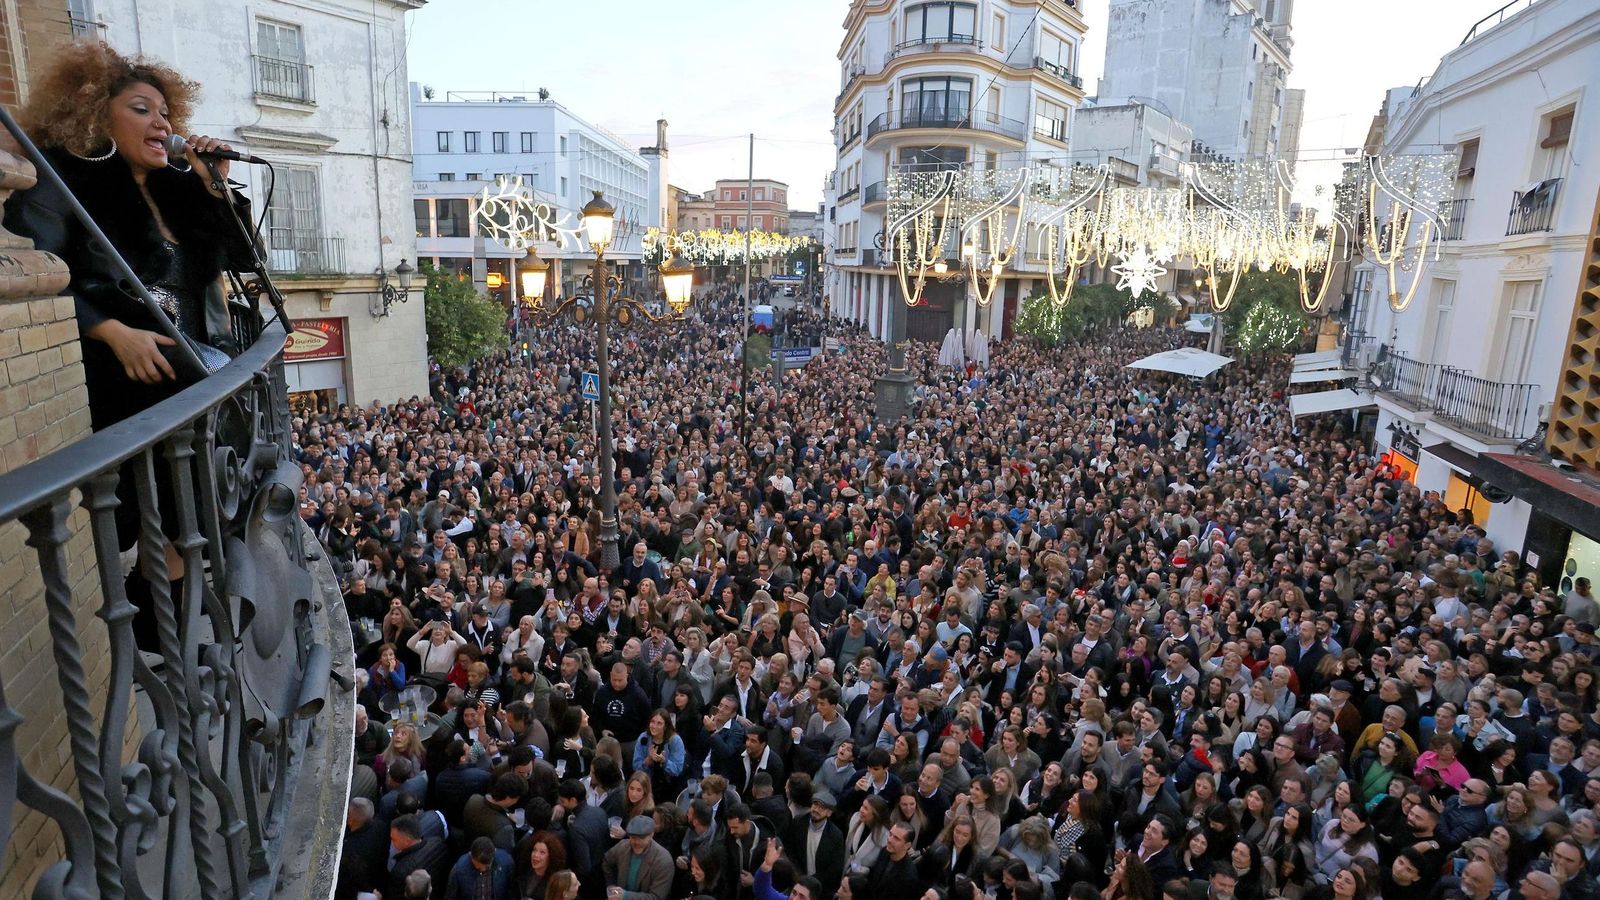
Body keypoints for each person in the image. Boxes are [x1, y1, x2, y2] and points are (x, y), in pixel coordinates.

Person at [604, 815, 675, 900]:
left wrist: (626, 896)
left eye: (641, 838)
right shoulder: (623, 846)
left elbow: (657, 897)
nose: (636, 842)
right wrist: (611, 885)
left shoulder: (663, 861)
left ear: (652, 834)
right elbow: (607, 861)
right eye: (633, 837)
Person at [445, 836, 515, 900]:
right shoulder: (458, 870)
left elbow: (512, 891)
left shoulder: (506, 863)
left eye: (487, 867)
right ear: (470, 855)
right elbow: (450, 897)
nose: (483, 870)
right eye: (478, 867)